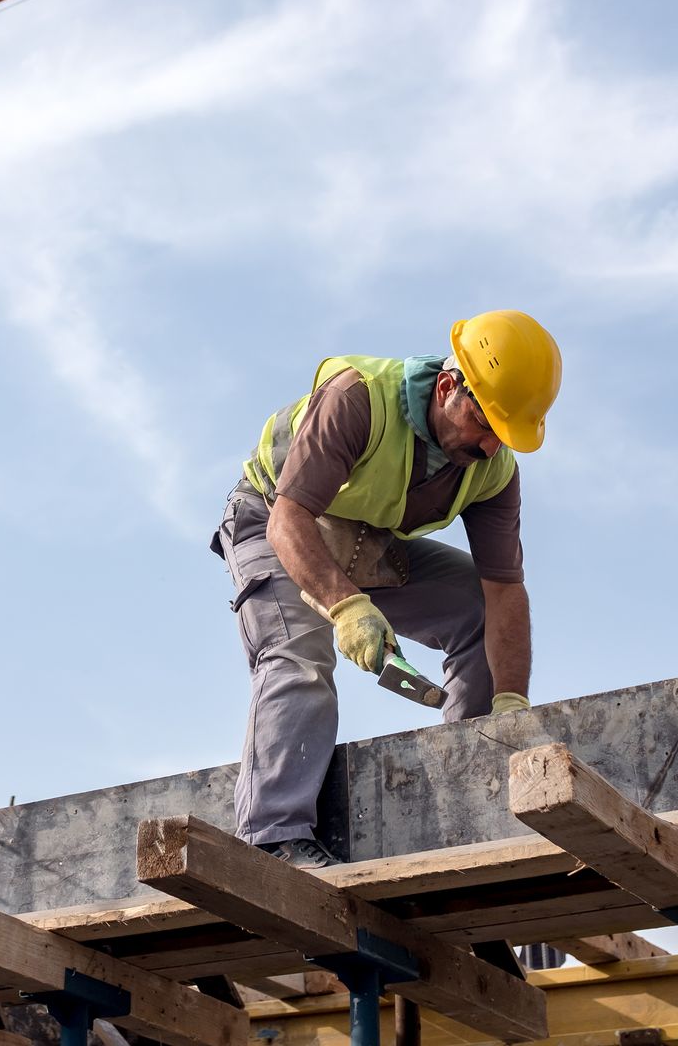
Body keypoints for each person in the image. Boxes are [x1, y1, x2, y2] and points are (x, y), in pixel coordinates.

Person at [210, 310, 562, 868]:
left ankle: (476, 787)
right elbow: (289, 521)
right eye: (486, 423)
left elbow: (503, 592)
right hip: (272, 518)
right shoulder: (358, 399)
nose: (493, 445)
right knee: (298, 656)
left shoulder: (493, 472)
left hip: (364, 539)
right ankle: (274, 839)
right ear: (448, 387)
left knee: (472, 607)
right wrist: (346, 605)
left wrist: (511, 703)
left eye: (505, 434)